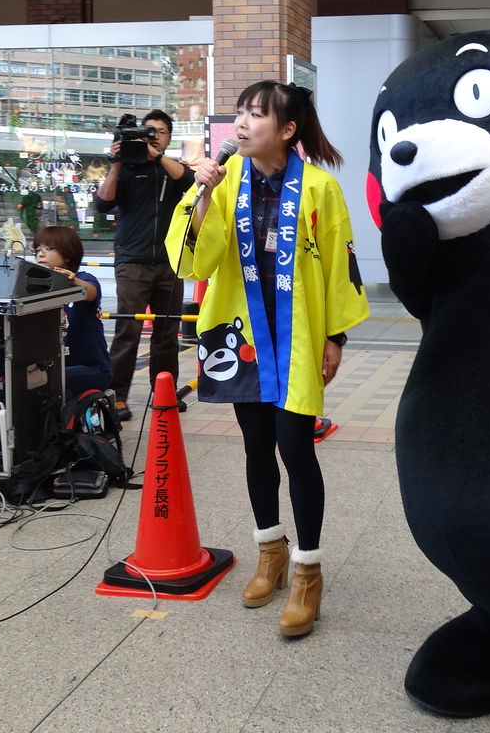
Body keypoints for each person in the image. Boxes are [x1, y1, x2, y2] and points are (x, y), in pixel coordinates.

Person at [166, 81, 369, 638]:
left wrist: (336, 337)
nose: (242, 123)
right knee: (256, 447)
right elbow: (192, 261)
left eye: (257, 114)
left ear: (286, 129)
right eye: (240, 113)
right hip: (240, 336)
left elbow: (337, 266)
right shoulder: (222, 180)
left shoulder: (321, 189)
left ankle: (307, 571)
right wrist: (202, 194)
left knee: (296, 449)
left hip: (298, 336)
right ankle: (269, 553)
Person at [93, 109, 191, 420]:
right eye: (148, 131)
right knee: (127, 331)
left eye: (159, 132)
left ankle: (164, 392)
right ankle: (117, 397)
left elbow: (190, 183)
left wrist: (157, 157)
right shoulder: (125, 168)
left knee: (167, 332)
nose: (153, 137)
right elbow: (102, 203)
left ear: (169, 137)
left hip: (170, 262)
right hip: (132, 262)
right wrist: (117, 163)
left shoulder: (172, 169)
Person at [32, 226, 111, 398]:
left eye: (47, 248)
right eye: (37, 250)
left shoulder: (84, 278)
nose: (40, 254)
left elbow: (90, 292)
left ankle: (65, 424)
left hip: (93, 370)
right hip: (56, 366)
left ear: (67, 254)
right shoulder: (37, 287)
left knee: (47, 379)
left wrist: (73, 280)